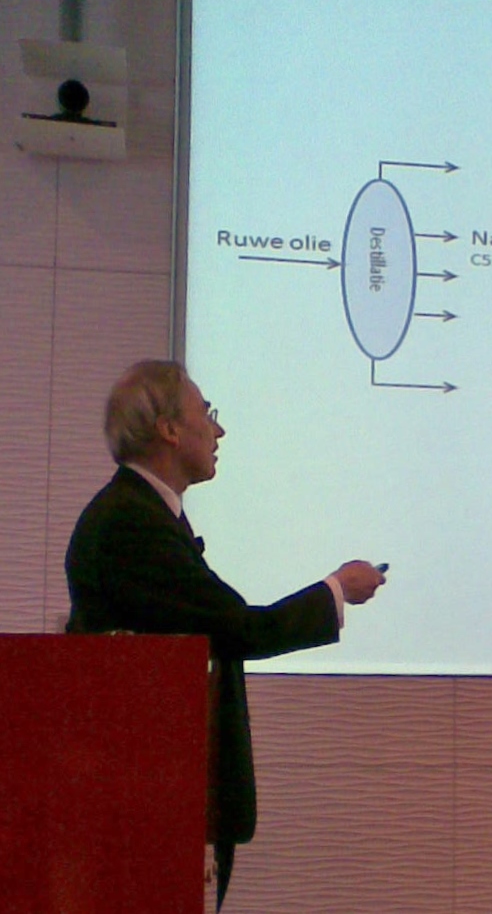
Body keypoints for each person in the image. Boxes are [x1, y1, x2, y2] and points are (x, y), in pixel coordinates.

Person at [64, 360, 385, 909]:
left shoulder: (146, 514)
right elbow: (236, 628)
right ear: (168, 429)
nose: (219, 430)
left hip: (157, 793)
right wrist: (336, 591)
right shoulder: (130, 522)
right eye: (206, 413)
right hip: (148, 798)